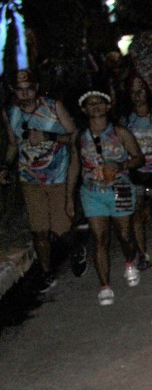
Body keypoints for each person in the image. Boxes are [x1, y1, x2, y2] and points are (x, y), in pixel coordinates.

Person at [67, 91, 146, 306]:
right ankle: (105, 286)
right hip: (92, 192)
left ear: (108, 106)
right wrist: (69, 197)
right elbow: (74, 166)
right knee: (99, 237)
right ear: (84, 109)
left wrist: (120, 165)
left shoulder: (120, 132)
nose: (95, 107)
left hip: (121, 188)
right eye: (90, 104)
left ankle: (129, 261)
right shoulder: (80, 136)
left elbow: (139, 158)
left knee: (125, 235)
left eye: (100, 102)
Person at [3, 69, 79, 290]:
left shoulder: (52, 106)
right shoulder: (10, 112)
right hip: (30, 178)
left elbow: (74, 135)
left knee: (61, 230)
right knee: (39, 231)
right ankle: (46, 273)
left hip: (57, 176)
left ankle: (76, 250)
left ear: (36, 88)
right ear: (14, 90)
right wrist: (5, 166)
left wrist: (49, 136)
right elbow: (13, 144)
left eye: (29, 89)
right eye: (20, 90)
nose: (25, 93)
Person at [122, 74, 152, 265]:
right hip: (135, 173)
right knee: (137, 212)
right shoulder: (127, 119)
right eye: (133, 92)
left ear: (147, 92)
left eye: (140, 91)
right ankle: (143, 254)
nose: (137, 96)